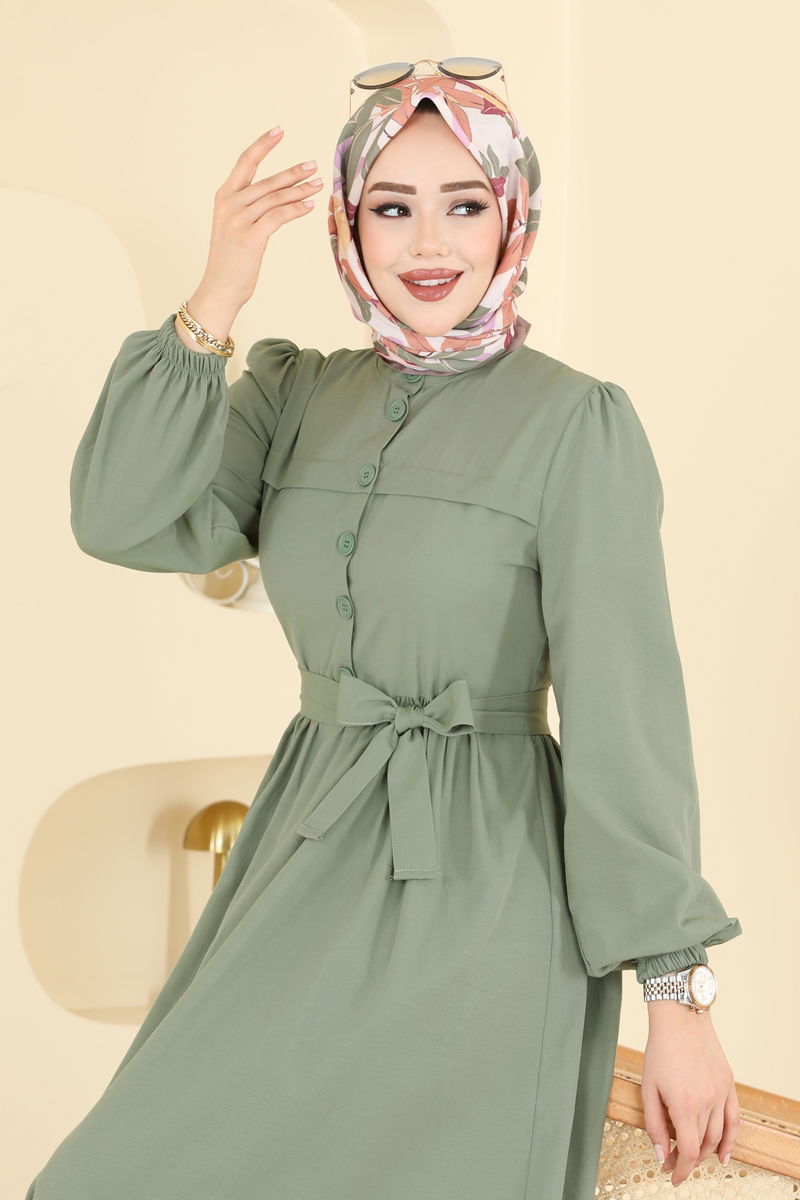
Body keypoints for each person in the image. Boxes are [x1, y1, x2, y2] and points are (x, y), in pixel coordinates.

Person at [26, 64, 743, 1200]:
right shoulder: (295, 395)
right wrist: (216, 296)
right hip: (303, 847)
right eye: (392, 205)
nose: (430, 243)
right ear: (347, 223)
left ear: (512, 216)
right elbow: (120, 517)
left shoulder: (576, 424)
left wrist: (677, 1000)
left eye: (465, 203)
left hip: (489, 892)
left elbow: (626, 710)